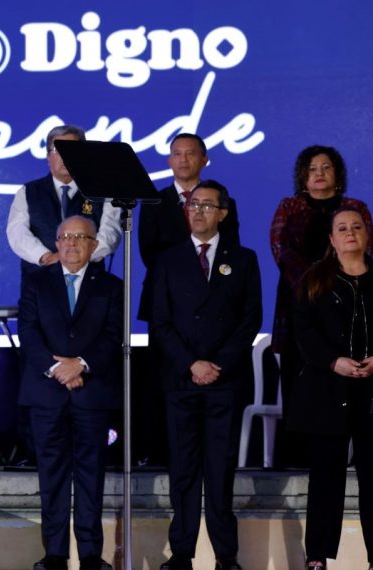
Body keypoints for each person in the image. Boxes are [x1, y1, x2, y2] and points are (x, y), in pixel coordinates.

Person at [151, 181, 261, 570]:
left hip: (224, 382)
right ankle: (181, 552)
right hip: (181, 380)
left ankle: (225, 555)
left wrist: (218, 364)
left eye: (206, 205)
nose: (197, 211)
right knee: (183, 470)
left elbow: (250, 319)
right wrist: (191, 364)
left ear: (223, 213)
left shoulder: (243, 259)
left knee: (219, 471)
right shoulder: (168, 260)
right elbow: (160, 322)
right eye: (193, 205)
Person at [18, 216, 121, 570]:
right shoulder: (36, 282)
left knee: (91, 475)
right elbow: (29, 333)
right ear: (56, 243)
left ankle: (91, 554)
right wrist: (58, 370)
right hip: (46, 394)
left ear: (94, 245)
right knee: (52, 476)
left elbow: (113, 336)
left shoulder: (111, 285)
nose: (71, 243)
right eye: (65, 237)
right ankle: (55, 554)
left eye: (80, 237)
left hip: (92, 394)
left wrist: (81, 364)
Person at [135, 133, 240, 468]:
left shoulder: (222, 199)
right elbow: (148, 252)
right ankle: (158, 452)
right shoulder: (154, 200)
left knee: (210, 379)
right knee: (162, 377)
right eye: (176, 154)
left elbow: (230, 251)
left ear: (204, 159)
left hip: (214, 305)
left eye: (190, 153)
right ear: (169, 160)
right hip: (167, 303)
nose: (183, 159)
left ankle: (208, 452)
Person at [271, 146, 373, 449]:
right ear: (303, 175)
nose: (319, 173)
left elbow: (365, 249)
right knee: (300, 369)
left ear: (337, 173)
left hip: (350, 297)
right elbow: (281, 249)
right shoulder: (289, 206)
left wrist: (339, 283)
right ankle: (297, 452)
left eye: (326, 167)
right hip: (302, 297)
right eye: (312, 168)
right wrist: (316, 285)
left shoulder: (355, 207)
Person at [290, 208, 373, 569]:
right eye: (342, 228)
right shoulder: (315, 280)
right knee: (326, 477)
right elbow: (303, 333)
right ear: (331, 239)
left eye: (357, 227)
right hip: (328, 390)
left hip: (371, 394)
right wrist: (333, 361)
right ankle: (317, 557)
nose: (350, 233)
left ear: (367, 234)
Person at [6, 124, 122, 283]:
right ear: (48, 157)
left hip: (90, 282)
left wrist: (73, 259)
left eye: (72, 150)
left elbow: (110, 233)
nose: (65, 156)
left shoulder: (103, 192)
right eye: (58, 150)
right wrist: (46, 256)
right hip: (39, 282)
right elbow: (17, 233)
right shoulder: (28, 192)